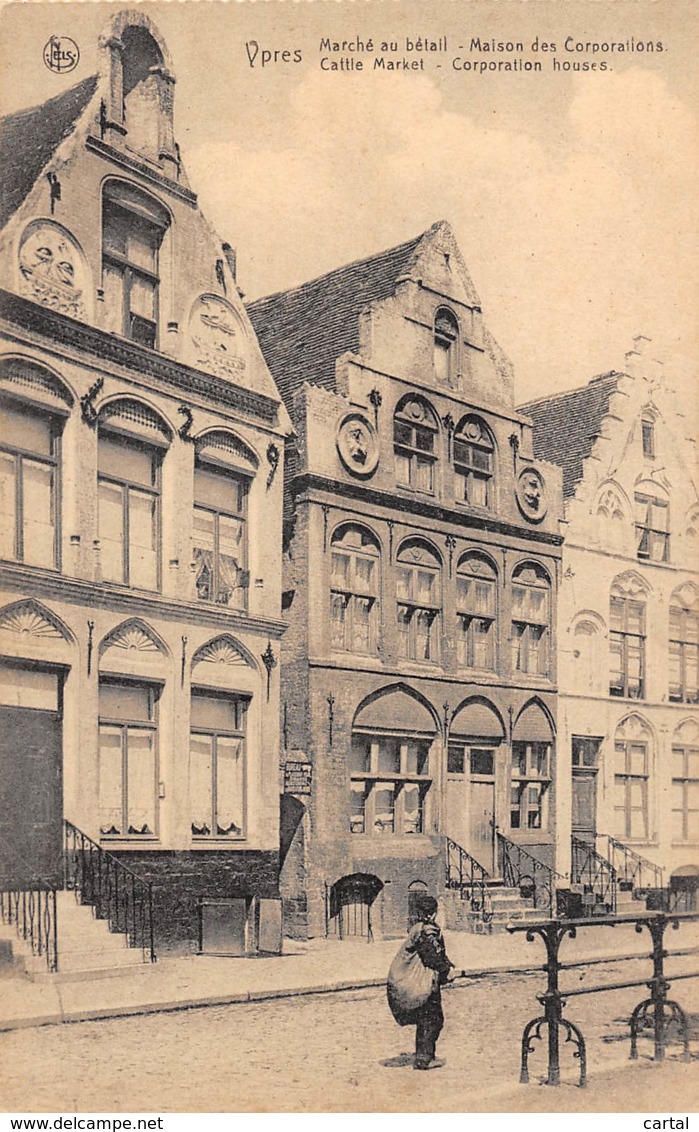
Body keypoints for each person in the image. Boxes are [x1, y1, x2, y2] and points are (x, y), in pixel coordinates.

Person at [387, 894, 457, 1070]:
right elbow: (431, 956)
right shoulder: (427, 931)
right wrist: (446, 971)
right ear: (434, 913)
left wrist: (448, 965)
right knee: (433, 1019)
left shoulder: (419, 928)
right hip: (423, 983)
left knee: (427, 1019)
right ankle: (424, 1059)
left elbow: (436, 953)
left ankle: (423, 1055)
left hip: (422, 981)